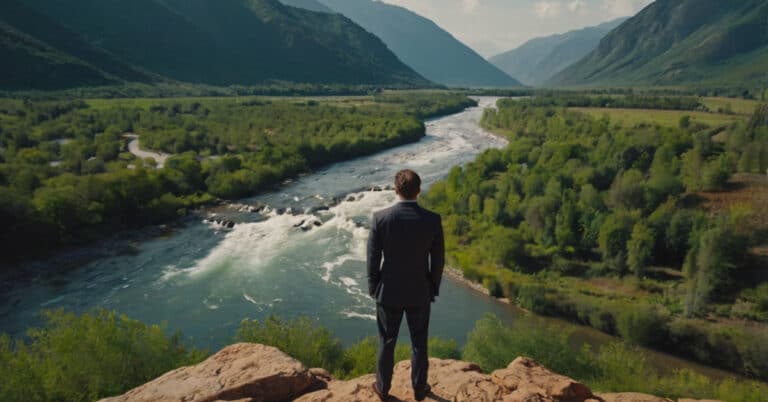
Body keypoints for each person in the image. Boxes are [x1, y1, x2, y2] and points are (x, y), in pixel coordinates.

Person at [367, 169, 445, 401]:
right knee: (419, 343)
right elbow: (438, 260)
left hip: (388, 291)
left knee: (386, 342)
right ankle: (420, 390)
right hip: (419, 291)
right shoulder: (432, 220)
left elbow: (373, 258)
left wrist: (373, 287)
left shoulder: (380, 218)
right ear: (419, 190)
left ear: (395, 189)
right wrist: (432, 286)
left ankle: (382, 389)